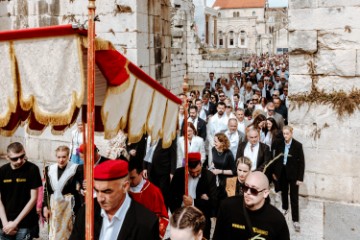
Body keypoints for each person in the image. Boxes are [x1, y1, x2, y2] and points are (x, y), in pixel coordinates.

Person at [69, 160, 159, 240]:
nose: (100, 198)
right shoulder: (86, 212)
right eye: (96, 190)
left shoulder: (146, 223)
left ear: (125, 187)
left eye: (107, 191)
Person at [213, 171, 290, 240]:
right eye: (245, 187)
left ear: (265, 193)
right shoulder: (227, 207)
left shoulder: (277, 219)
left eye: (254, 190)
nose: (248, 192)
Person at [170, 152, 218, 239]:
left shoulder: (209, 177)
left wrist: (193, 202)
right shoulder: (179, 173)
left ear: (201, 164)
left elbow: (214, 202)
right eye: (192, 172)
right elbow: (171, 196)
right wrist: (176, 212)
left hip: (200, 219)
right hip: (182, 218)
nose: (195, 174)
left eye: (198, 171)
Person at [0, 142, 42, 239]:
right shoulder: (2, 171)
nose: (19, 161)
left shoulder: (32, 169)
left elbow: (33, 198)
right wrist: (5, 223)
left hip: (25, 223)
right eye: (15, 158)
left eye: (22, 156)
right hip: (5, 223)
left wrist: (15, 223)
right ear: (7, 157)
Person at [43, 145, 83, 240]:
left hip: (69, 207)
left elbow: (82, 185)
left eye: (64, 157)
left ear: (68, 156)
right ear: (56, 157)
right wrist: (45, 206)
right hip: (54, 207)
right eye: (59, 157)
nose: (61, 160)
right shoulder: (49, 169)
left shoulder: (76, 169)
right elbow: (46, 191)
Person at [272, 126, 305, 232]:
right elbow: (276, 159)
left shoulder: (298, 145)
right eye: (284, 134)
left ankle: (295, 219)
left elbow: (301, 163)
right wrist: (275, 173)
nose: (285, 136)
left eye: (287, 133)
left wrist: (300, 178)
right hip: (282, 172)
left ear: (291, 133)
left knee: (294, 197)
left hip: (293, 174)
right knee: (284, 192)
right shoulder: (280, 143)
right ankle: (285, 208)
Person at [128, 160, 168, 239]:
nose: (129, 181)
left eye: (132, 178)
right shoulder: (123, 190)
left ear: (141, 173)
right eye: (127, 178)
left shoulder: (154, 192)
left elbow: (163, 218)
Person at [143, 137, 177, 209]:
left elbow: (173, 155)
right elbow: (147, 151)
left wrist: (172, 172)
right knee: (153, 194)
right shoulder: (150, 136)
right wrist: (145, 167)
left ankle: (164, 214)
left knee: (163, 195)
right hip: (151, 170)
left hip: (164, 171)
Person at [209, 133, 236, 201]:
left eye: (216, 141)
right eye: (214, 141)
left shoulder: (229, 153)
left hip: (227, 181)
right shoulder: (213, 149)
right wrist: (212, 166)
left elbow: (234, 171)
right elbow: (214, 162)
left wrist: (219, 171)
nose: (214, 143)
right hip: (217, 180)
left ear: (222, 143)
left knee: (226, 201)